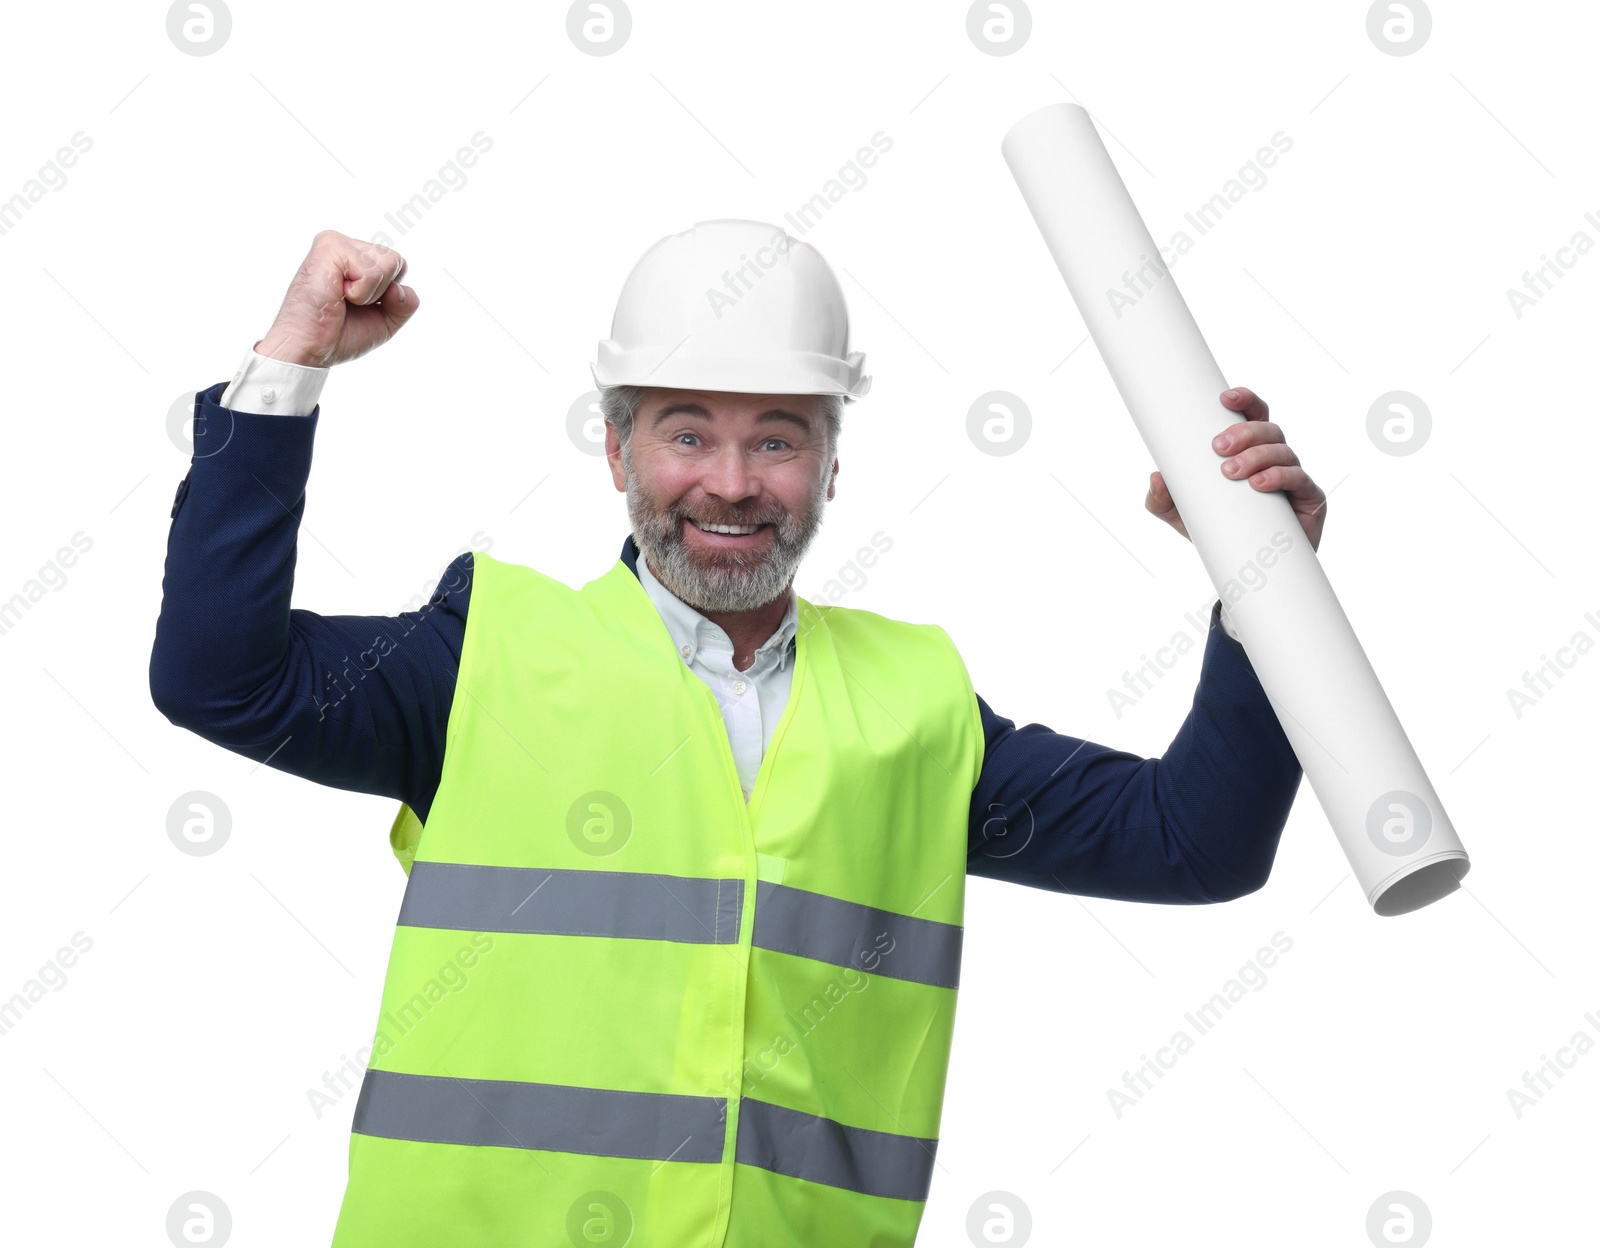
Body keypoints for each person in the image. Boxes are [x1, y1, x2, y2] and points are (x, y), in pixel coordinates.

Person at [149, 220, 1321, 1247]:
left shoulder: (914, 704)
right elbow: (217, 678)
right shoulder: (485, 656)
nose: (730, 482)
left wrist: (1263, 571)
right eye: (685, 434)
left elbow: (1196, 843)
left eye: (776, 438)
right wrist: (291, 361)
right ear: (615, 452)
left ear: (829, 469)